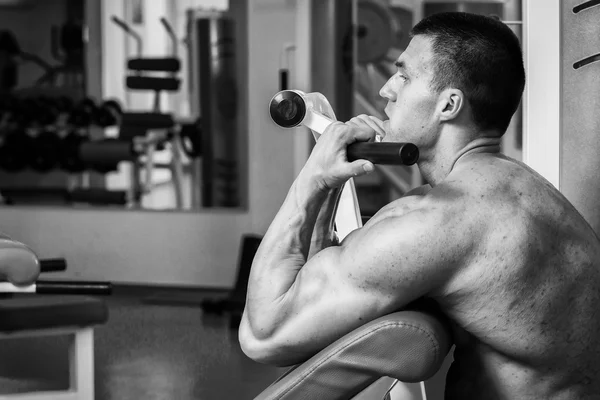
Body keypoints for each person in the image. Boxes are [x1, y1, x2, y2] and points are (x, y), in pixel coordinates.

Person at [239, 12, 600, 399]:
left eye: (404, 76)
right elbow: (320, 289)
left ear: (449, 105)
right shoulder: (527, 191)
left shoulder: (436, 221)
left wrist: (312, 178)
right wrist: (331, 183)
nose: (386, 91)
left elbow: (263, 333)